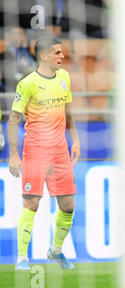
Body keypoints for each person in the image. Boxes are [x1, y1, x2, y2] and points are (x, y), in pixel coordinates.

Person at [8, 37, 80, 270]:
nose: (61, 56)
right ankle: (21, 258)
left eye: (62, 52)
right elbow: (13, 119)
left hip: (60, 150)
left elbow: (68, 114)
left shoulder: (64, 77)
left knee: (68, 205)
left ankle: (56, 251)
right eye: (57, 52)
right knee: (32, 203)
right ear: (43, 56)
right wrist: (13, 154)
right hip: (36, 151)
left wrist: (75, 140)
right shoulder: (27, 83)